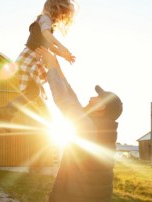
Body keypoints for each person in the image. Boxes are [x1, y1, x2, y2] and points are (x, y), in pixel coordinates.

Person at [35, 46, 123, 202]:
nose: (91, 97)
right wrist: (57, 69)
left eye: (97, 97)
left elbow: (64, 101)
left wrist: (52, 69)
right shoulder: (98, 127)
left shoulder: (90, 128)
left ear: (101, 107)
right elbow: (71, 97)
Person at [0, 0, 78, 132]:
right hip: (29, 57)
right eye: (60, 14)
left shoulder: (47, 25)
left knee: (33, 91)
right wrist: (61, 45)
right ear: (54, 10)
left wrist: (63, 55)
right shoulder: (44, 19)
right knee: (34, 92)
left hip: (31, 58)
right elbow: (46, 34)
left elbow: (49, 45)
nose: (59, 18)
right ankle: (7, 111)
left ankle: (6, 111)